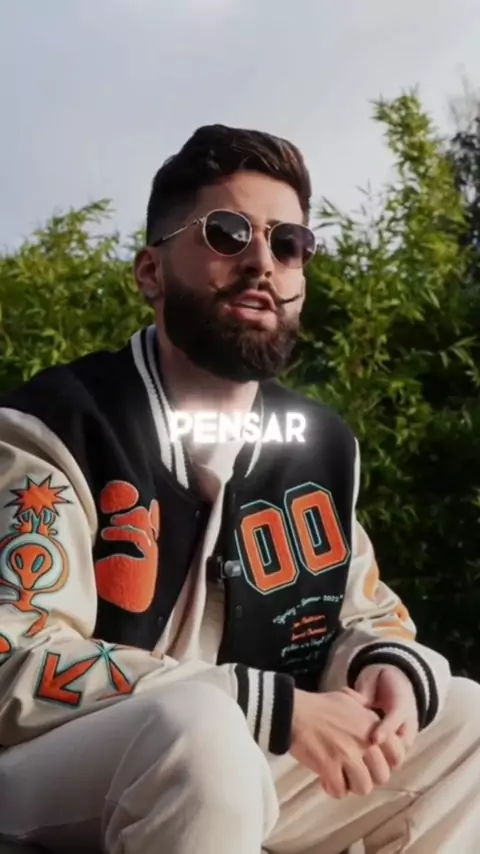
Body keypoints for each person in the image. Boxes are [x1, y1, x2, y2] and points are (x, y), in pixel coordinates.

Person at [0, 125, 478, 854]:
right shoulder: (55, 426)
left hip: (236, 751)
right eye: (226, 233)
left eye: (289, 244)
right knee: (199, 732)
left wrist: (382, 666)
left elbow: (364, 611)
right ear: (152, 272)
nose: (262, 261)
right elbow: (15, 654)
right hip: (48, 768)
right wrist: (266, 706)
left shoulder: (316, 446)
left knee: (463, 723)